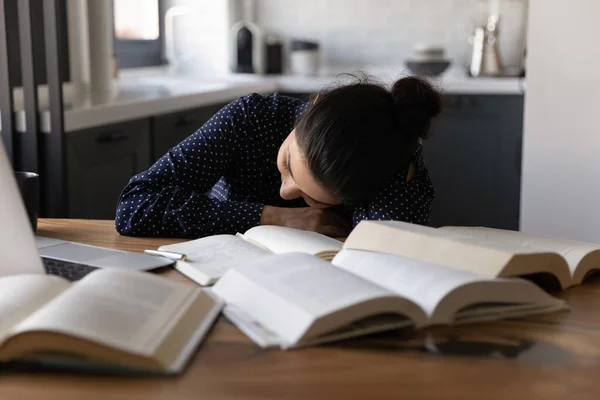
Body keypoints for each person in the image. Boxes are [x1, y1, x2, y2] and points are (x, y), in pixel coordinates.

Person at [115, 75, 442, 239]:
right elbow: (134, 206)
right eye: (287, 163)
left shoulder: (390, 167)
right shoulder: (252, 117)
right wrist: (274, 216)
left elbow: (384, 252)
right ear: (316, 102)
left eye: (312, 199)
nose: (286, 192)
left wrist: (406, 173)